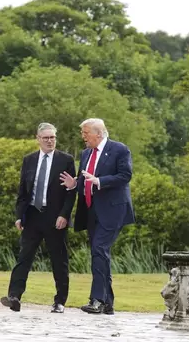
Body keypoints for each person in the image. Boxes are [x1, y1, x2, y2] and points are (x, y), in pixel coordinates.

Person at [60, 118, 134, 315]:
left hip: (113, 210)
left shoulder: (119, 149)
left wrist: (100, 180)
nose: (83, 136)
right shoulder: (85, 154)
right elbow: (85, 181)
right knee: (99, 252)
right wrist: (74, 184)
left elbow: (125, 176)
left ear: (98, 133)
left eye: (86, 133)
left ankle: (97, 300)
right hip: (91, 211)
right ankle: (107, 303)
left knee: (99, 249)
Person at [0, 123, 76, 313]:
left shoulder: (65, 160)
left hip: (55, 217)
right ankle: (14, 296)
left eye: (53, 137)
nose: (50, 141)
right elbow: (23, 192)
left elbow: (70, 192)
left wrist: (64, 215)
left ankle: (60, 301)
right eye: (46, 138)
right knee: (24, 257)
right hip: (32, 216)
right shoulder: (29, 160)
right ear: (38, 139)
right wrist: (19, 216)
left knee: (59, 260)